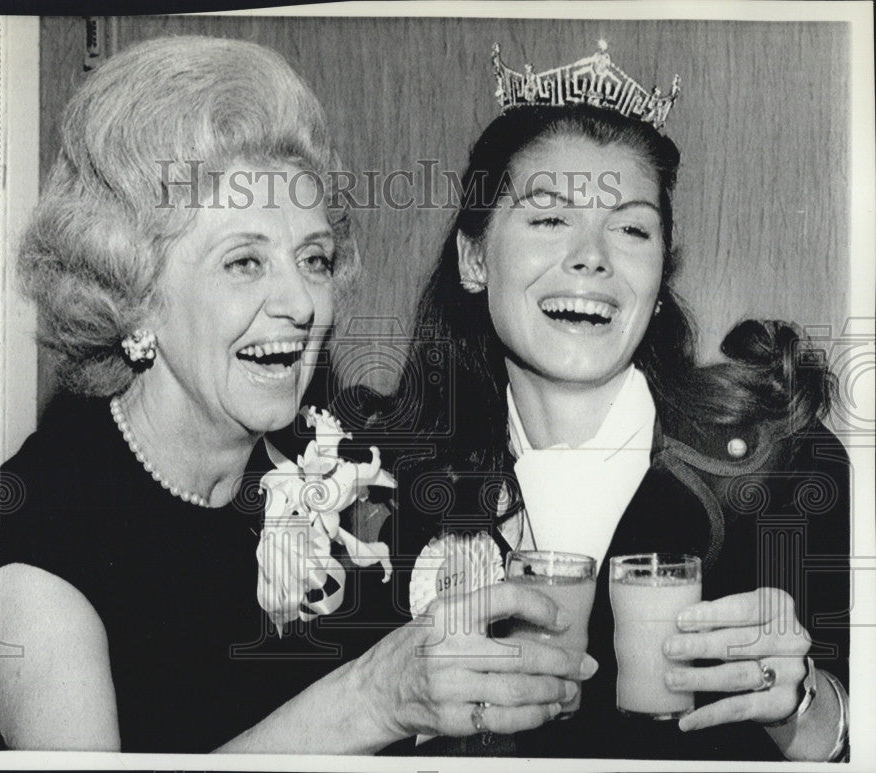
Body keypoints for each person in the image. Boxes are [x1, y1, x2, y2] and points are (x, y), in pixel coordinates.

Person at [0, 36, 596, 754]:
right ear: (136, 299)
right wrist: (373, 698)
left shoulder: (326, 466)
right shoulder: (38, 532)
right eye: (244, 261)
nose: (301, 300)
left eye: (313, 258)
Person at [339, 44, 851, 761]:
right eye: (549, 218)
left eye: (632, 227)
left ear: (660, 272)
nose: (593, 256)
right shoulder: (378, 482)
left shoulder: (779, 465)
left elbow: (850, 740)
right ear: (475, 258)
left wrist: (803, 707)